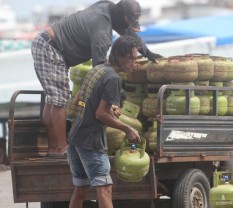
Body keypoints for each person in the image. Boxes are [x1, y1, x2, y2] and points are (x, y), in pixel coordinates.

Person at [31, 0, 161, 157]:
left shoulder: (107, 7)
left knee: (53, 100)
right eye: (127, 21)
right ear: (120, 16)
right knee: (59, 100)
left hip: (47, 43)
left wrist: (147, 53)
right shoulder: (102, 34)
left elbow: (127, 32)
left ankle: (53, 148)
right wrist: (116, 97)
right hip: (51, 48)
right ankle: (60, 147)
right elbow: (101, 71)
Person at [67, 35, 141, 208]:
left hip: (75, 137)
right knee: (105, 188)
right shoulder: (113, 78)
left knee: (80, 189)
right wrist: (127, 129)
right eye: (132, 59)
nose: (134, 63)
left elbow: (79, 100)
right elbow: (100, 114)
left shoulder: (97, 69)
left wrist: (109, 107)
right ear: (121, 56)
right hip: (90, 141)